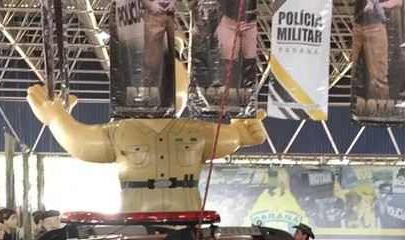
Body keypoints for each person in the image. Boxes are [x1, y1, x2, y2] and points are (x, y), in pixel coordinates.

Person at [26, 61, 266, 213]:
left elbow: (80, 141)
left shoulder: (197, 130)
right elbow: (81, 142)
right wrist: (56, 117)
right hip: (137, 226)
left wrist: (241, 133)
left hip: (186, 227)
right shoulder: (120, 131)